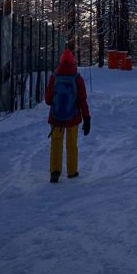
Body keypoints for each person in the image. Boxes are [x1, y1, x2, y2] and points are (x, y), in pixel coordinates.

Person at [45, 47, 91, 183]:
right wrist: (87, 118)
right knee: (71, 145)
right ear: (73, 62)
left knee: (56, 144)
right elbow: (82, 100)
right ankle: (72, 172)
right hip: (73, 118)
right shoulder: (77, 78)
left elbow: (48, 100)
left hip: (56, 118)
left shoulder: (54, 77)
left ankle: (55, 172)